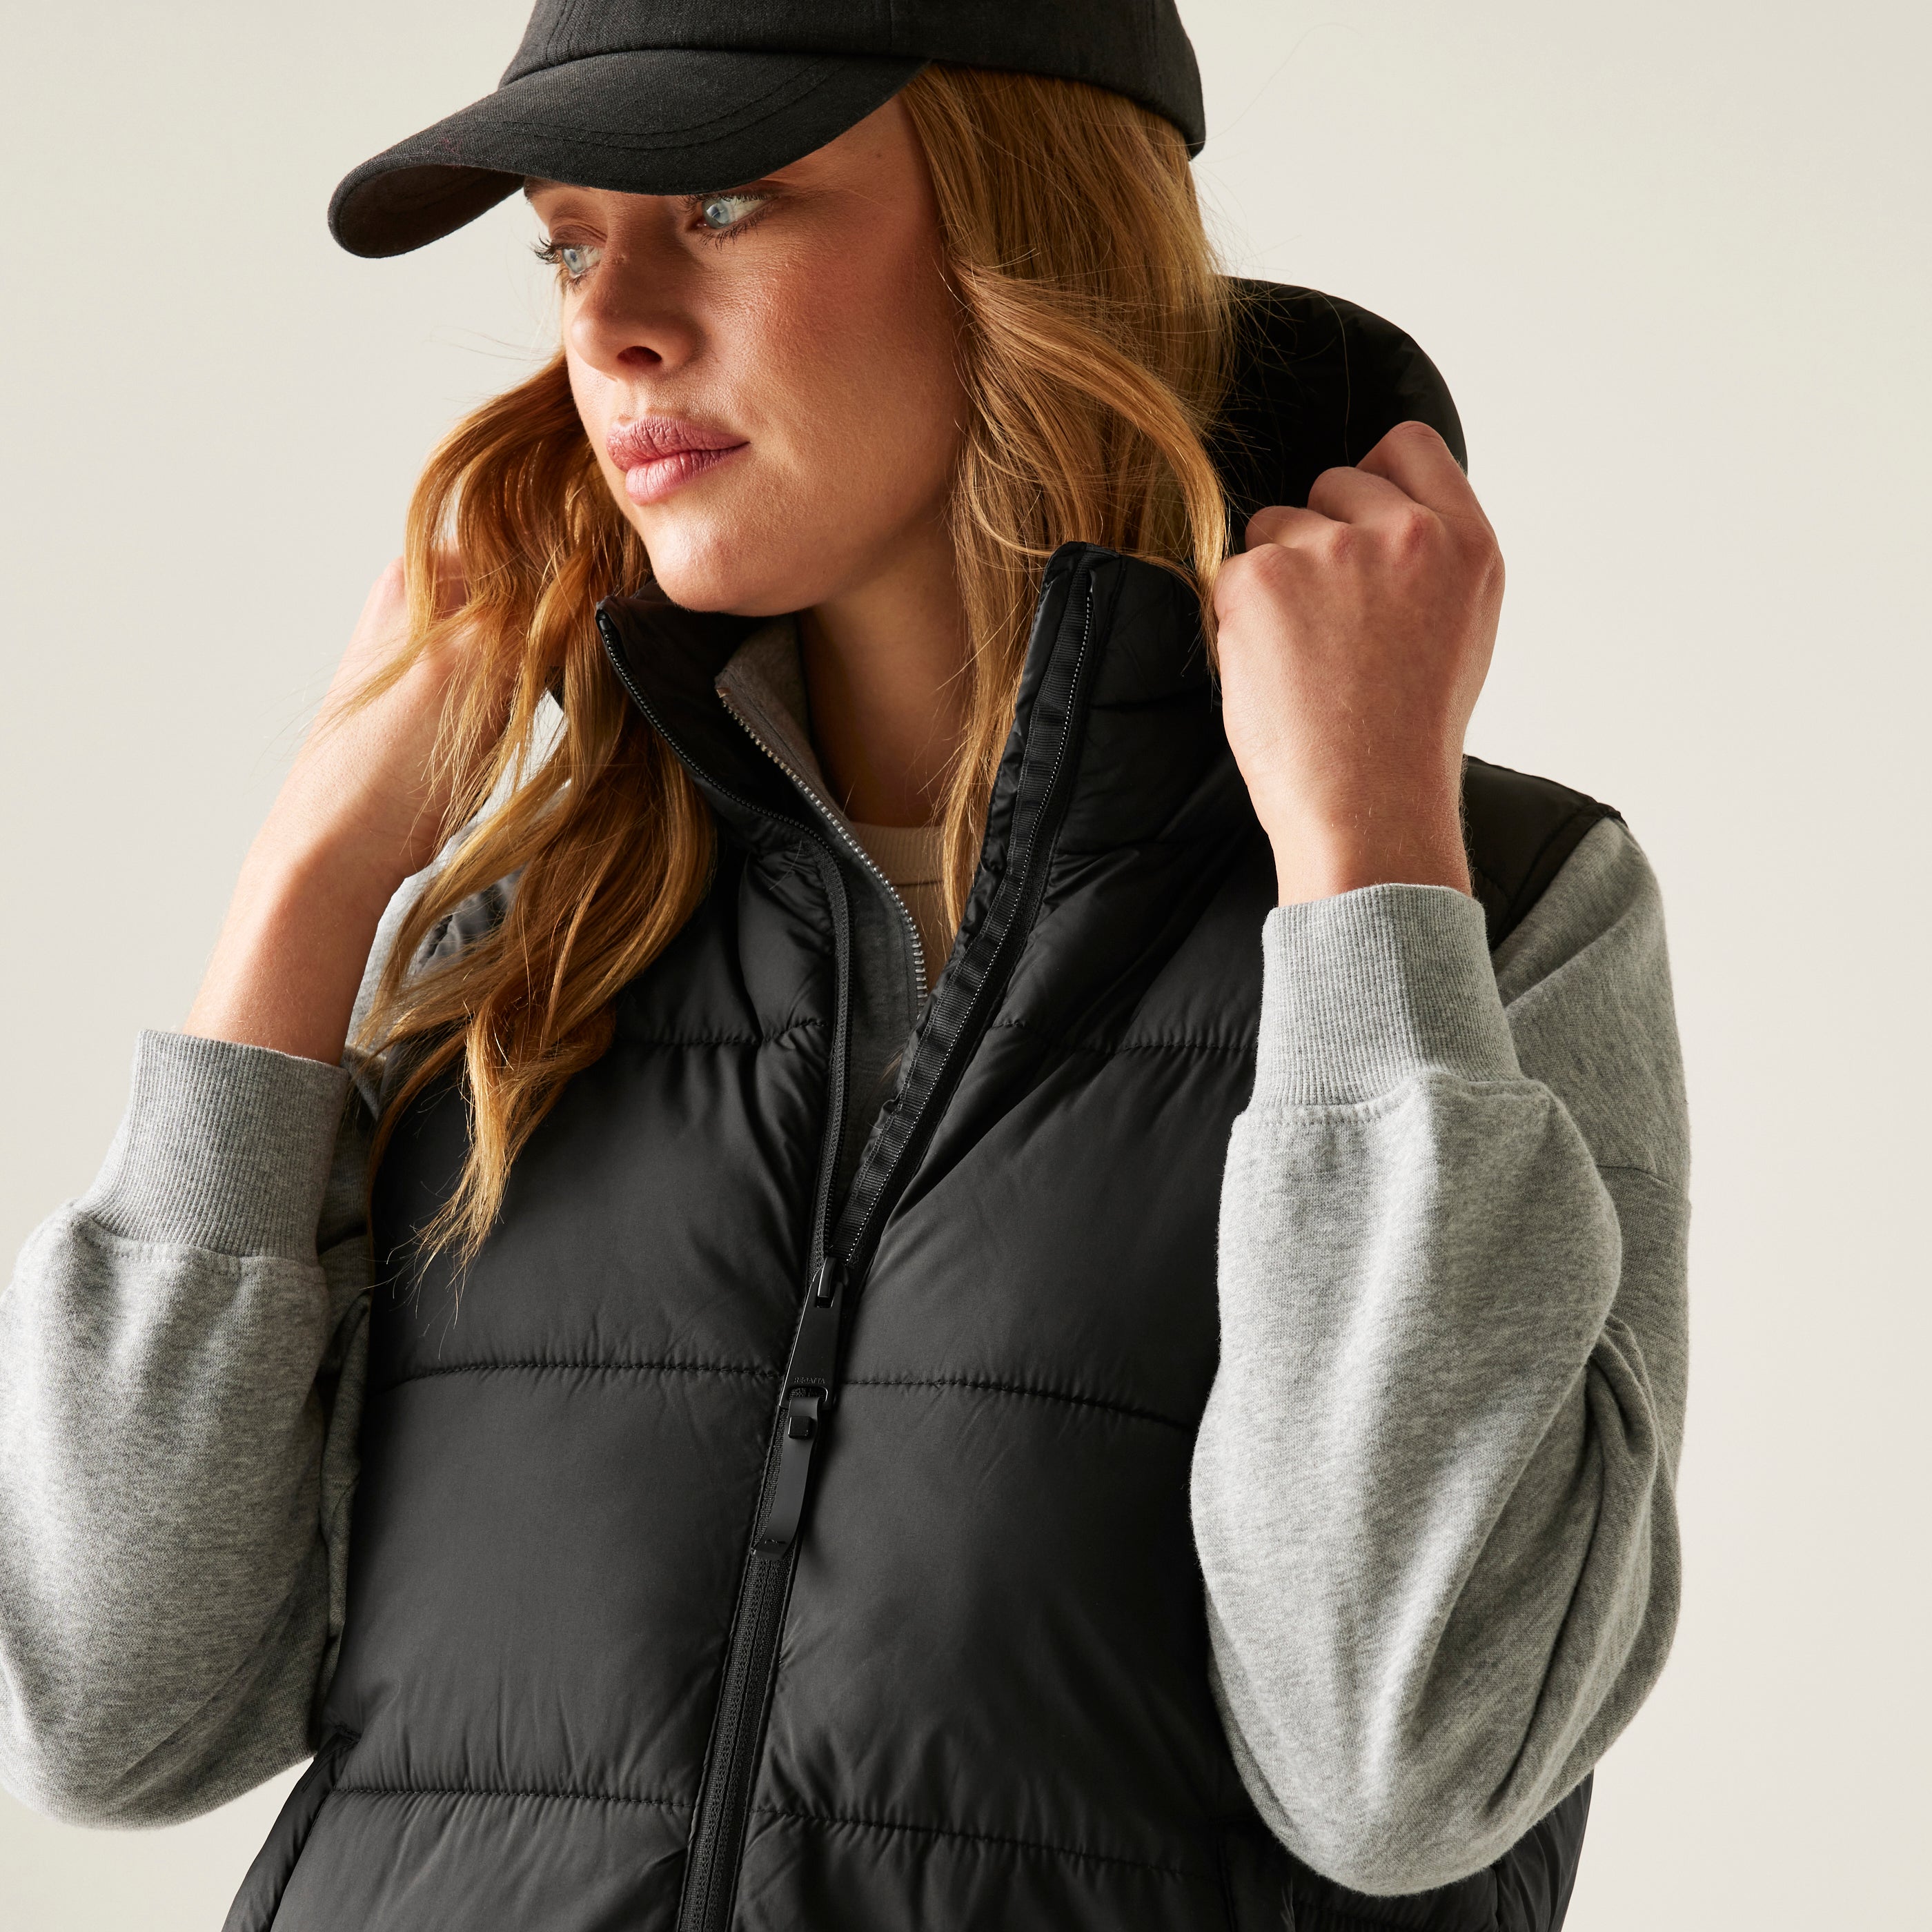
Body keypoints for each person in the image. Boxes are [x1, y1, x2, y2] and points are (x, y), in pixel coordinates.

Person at [0, 5, 1689, 1930]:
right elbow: (111, 1711)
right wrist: (305, 889)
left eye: (725, 204)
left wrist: (1370, 861)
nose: (613, 325)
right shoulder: (545, 945)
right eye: (568, 241)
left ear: (1026, 230)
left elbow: (1405, 1764)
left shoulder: (1489, 918)